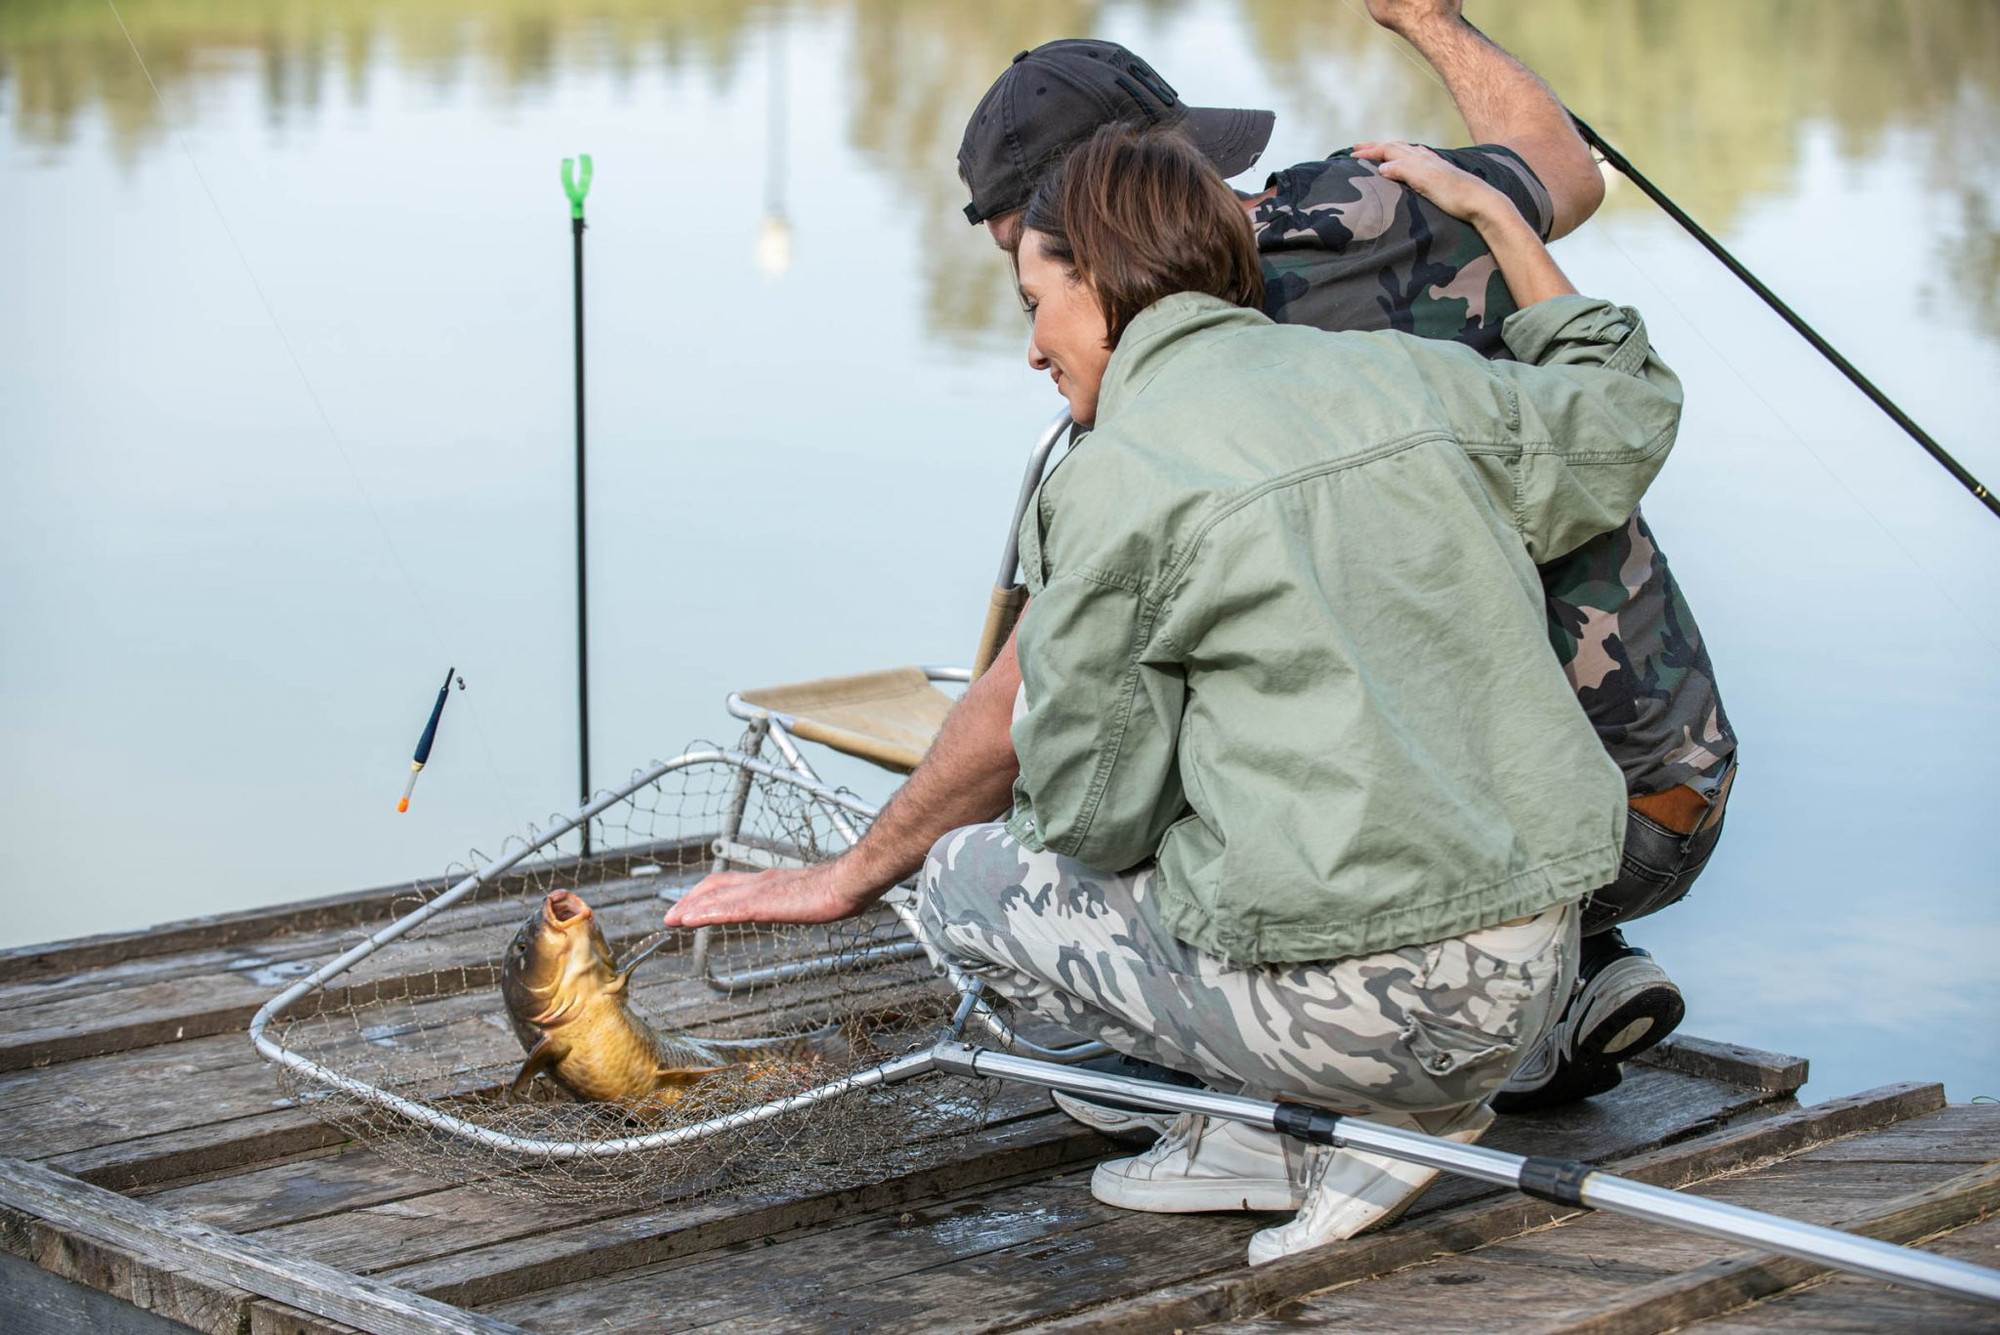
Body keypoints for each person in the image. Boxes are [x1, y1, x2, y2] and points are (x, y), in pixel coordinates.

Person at [670, 1, 1737, 1120]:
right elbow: (1568, 173)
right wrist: (1426, 20)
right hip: (1651, 793)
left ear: (1104, 224)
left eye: (1031, 265)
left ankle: (1229, 1071)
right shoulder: (1379, 202)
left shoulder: (1159, 391)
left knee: (1147, 730)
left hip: (1494, 833)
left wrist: (862, 869)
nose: (1027, 324)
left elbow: (1038, 695)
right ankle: (1563, 980)